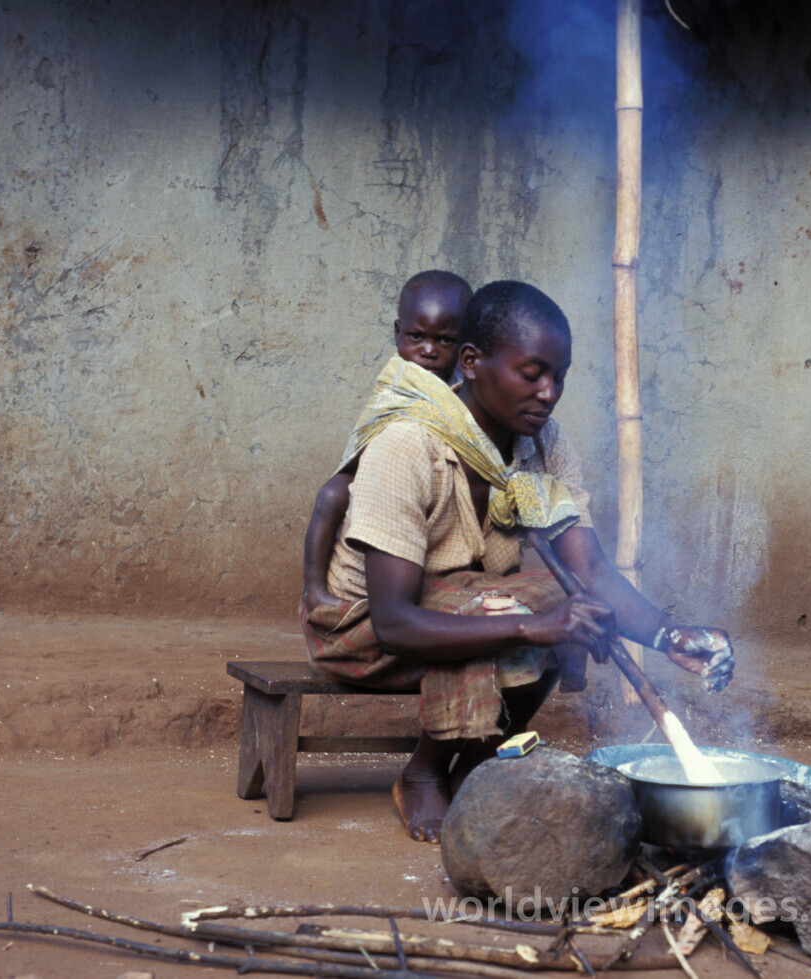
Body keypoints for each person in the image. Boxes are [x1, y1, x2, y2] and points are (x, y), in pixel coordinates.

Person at [300, 280, 734, 842]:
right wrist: (535, 624)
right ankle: (424, 772)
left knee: (576, 610)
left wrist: (669, 636)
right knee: (520, 610)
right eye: (532, 374)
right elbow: (393, 621)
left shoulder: (544, 447)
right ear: (474, 362)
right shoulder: (408, 445)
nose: (550, 392)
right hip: (361, 630)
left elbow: (592, 574)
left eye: (560, 375)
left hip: (463, 605)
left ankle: (475, 764)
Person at [301, 270, 472, 613]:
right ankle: (313, 591)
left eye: (446, 341)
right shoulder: (397, 378)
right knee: (332, 493)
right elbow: (374, 430)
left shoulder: (465, 386)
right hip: (381, 478)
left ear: (466, 343)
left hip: (435, 479)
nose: (429, 350)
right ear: (397, 334)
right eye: (416, 336)